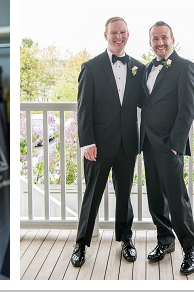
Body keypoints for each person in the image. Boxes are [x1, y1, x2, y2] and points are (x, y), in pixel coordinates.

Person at [70, 17, 145, 268]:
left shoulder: (139, 68)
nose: (119, 36)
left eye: (123, 32)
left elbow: (147, 103)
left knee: (124, 195)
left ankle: (126, 239)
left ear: (128, 34)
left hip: (127, 145)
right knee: (92, 195)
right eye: (114, 32)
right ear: (106, 35)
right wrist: (87, 142)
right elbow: (84, 109)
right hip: (98, 146)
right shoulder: (90, 67)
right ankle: (80, 243)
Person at [140, 21, 194, 275]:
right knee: (155, 197)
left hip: (169, 146)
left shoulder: (185, 67)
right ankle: (165, 241)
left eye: (164, 37)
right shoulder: (144, 69)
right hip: (148, 144)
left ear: (173, 38)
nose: (160, 43)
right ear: (150, 42)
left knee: (177, 199)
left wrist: (175, 146)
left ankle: (191, 248)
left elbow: (187, 110)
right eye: (155, 39)